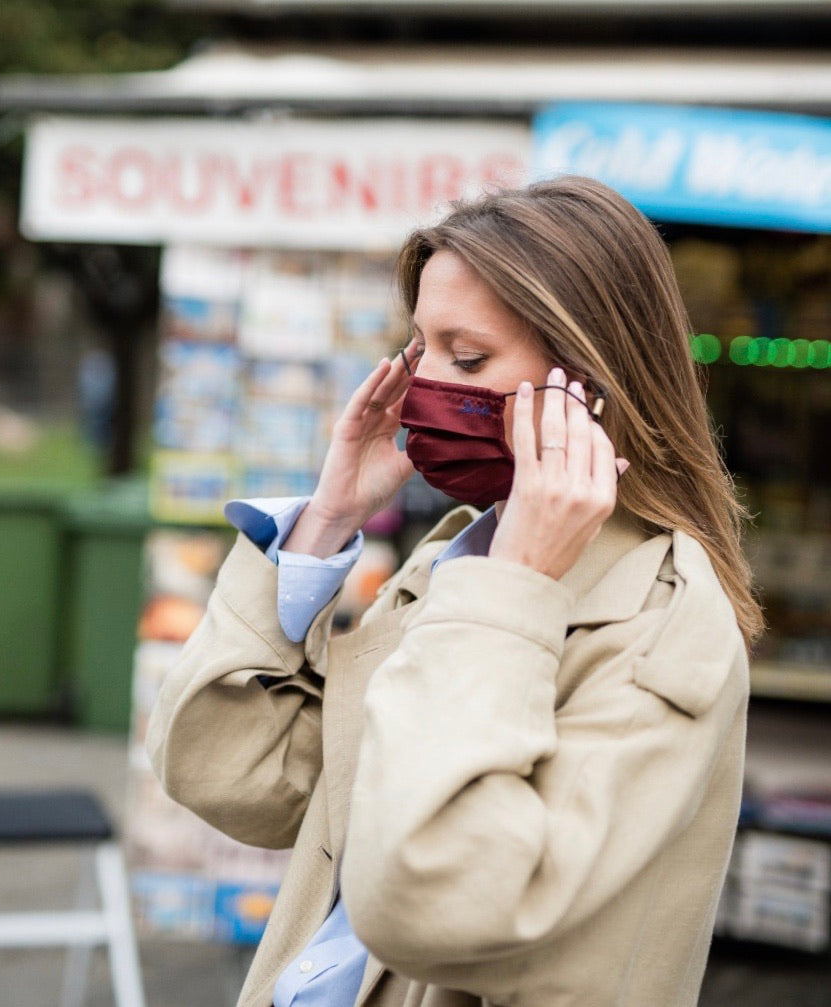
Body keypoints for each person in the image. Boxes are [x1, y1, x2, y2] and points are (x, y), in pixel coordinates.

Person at [147, 176, 762, 1007]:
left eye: (466, 357)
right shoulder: (455, 558)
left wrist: (510, 590)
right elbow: (238, 780)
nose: (421, 388)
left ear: (589, 383)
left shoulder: (658, 619)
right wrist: (325, 521)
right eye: (420, 349)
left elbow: (438, 902)